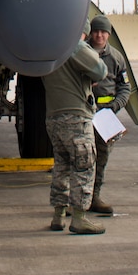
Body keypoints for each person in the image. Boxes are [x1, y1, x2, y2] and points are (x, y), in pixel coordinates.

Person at [40, 29, 107, 235]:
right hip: (76, 116)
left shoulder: (46, 46)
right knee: (84, 166)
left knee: (62, 166)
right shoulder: (73, 45)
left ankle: (58, 215)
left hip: (54, 116)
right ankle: (80, 217)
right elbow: (100, 70)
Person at [87, 16, 132, 216]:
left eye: (103, 32)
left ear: (109, 34)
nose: (99, 35)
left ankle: (94, 196)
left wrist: (116, 105)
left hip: (105, 117)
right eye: (96, 31)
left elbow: (125, 87)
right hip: (85, 113)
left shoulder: (116, 57)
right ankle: (79, 198)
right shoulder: (82, 53)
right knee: (81, 158)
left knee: (101, 158)